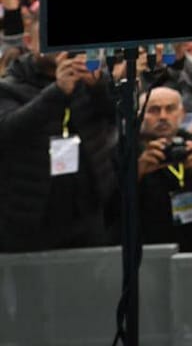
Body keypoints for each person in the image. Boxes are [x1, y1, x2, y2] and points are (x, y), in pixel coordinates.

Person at [0, 49, 116, 252]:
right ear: (30, 42)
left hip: (88, 210)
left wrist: (99, 86)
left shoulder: (90, 81)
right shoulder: (9, 86)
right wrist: (57, 91)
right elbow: (9, 130)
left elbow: (123, 117)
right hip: (31, 214)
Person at [129, 84, 192, 252]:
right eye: (154, 110)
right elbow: (111, 209)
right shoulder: (127, 152)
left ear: (182, 113)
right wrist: (136, 174)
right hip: (148, 247)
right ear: (139, 116)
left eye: (170, 109)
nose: (163, 116)